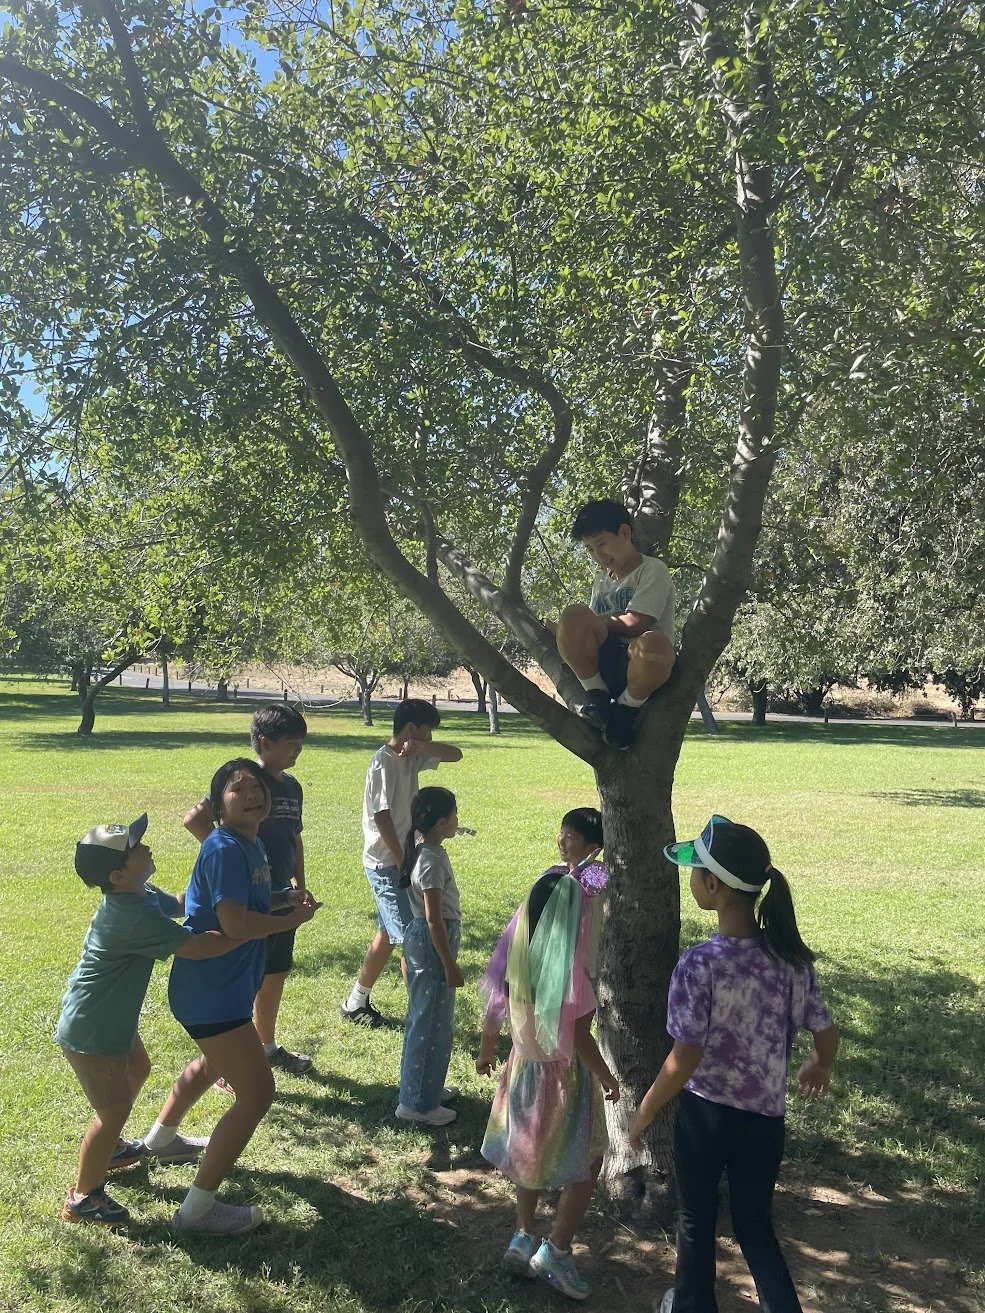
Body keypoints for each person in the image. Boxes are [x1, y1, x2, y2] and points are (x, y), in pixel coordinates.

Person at [628, 815, 840, 1313]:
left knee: (696, 1219)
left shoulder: (699, 965)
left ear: (713, 886)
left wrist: (645, 1111)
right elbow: (826, 1032)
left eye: (695, 869)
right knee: (754, 1225)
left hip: (704, 1118)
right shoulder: (791, 961)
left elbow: (684, 1059)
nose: (692, 877)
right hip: (764, 1122)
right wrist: (820, 1064)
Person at [57, 813, 241, 1228]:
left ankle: (111, 1150)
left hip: (109, 1017)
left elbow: (182, 904)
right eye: (136, 848)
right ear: (118, 875)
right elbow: (195, 947)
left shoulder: (140, 894)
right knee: (113, 1111)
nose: (146, 847)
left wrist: (219, 879)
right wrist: (245, 930)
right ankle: (83, 1197)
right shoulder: (130, 915)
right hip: (91, 1026)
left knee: (138, 1067)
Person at [163, 759, 320, 1236]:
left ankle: (161, 1139)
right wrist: (288, 921)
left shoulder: (249, 843)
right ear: (218, 805)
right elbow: (234, 924)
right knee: (257, 1093)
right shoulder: (225, 848)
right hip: (210, 991)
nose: (253, 794)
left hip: (223, 990)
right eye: (239, 789)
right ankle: (196, 1211)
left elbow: (244, 904)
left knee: (213, 1064)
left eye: (258, 787)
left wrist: (282, 900)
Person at [476, 864, 620, 1302]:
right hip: (565, 1080)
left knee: (528, 1157)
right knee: (589, 1162)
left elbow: (494, 1009)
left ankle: (523, 1235)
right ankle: (556, 1248)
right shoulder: (573, 976)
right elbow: (579, 1038)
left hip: (523, 1071)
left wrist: (486, 1049)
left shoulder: (515, 962)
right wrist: (607, 1075)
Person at [185, 704, 312, 1079]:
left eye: (301, 743)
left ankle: (266, 1046)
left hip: (280, 895)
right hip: (248, 899)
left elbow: (295, 837)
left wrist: (298, 882)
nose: (298, 750)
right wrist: (229, 856)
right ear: (265, 743)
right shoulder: (242, 782)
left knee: (274, 973)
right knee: (244, 978)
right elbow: (195, 819)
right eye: (291, 743)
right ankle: (226, 1061)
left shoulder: (292, 786)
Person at [341, 699, 462, 1027]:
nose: (431, 737)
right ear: (411, 728)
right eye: (427, 731)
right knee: (412, 936)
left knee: (388, 932)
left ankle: (355, 1002)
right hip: (385, 863)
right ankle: (421, 1015)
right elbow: (381, 817)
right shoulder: (383, 762)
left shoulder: (413, 755)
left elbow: (456, 754)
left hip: (402, 860)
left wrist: (424, 747)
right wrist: (401, 861)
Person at [547, 499, 675, 750]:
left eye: (601, 544)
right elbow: (589, 629)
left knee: (654, 644)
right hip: (606, 661)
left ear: (625, 533)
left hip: (642, 666)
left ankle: (627, 707)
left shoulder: (652, 570)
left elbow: (637, 622)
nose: (598, 555)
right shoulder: (601, 581)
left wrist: (594, 624)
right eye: (590, 549)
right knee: (572, 615)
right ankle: (597, 694)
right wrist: (564, 631)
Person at [395, 787, 464, 1126]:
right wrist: (450, 965)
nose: (457, 820)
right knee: (429, 1020)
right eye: (454, 815)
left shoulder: (427, 851)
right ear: (440, 823)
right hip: (435, 943)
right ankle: (417, 1104)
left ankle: (426, 1088)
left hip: (431, 940)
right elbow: (434, 918)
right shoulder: (431, 860)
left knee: (433, 1018)